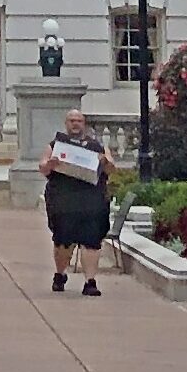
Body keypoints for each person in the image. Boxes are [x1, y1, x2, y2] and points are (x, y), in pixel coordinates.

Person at [39, 106, 113, 295]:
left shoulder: (97, 146)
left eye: (78, 120)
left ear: (84, 124)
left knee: (91, 242)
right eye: (72, 120)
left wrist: (105, 162)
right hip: (64, 200)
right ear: (66, 124)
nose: (75, 123)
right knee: (63, 242)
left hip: (91, 201)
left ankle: (90, 282)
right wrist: (50, 164)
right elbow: (43, 167)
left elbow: (111, 170)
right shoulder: (56, 144)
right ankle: (60, 274)